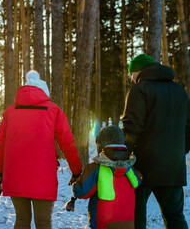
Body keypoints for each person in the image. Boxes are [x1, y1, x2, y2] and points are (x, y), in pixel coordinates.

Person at [0, 70, 82, 229]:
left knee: (21, 220)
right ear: (44, 92)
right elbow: (67, 143)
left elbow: (0, 144)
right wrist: (76, 170)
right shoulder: (53, 110)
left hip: (15, 174)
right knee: (43, 223)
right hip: (43, 174)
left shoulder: (10, 111)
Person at [122, 54, 190, 229]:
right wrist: (178, 152)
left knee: (136, 215)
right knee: (175, 216)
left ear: (138, 71)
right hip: (173, 166)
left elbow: (132, 127)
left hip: (144, 165)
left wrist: (122, 154)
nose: (131, 78)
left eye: (131, 73)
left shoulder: (140, 90)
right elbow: (188, 129)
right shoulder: (180, 91)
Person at [71, 125, 142, 229]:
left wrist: (75, 182)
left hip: (102, 224)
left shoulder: (97, 168)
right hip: (128, 223)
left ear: (100, 144)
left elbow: (81, 191)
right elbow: (139, 181)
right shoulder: (130, 168)